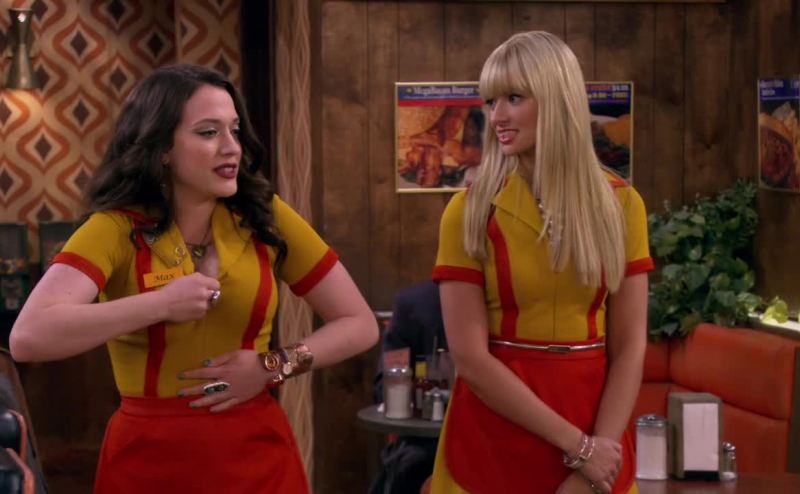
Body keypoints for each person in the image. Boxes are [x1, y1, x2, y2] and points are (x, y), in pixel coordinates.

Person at [9, 64, 378, 493]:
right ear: (162, 147)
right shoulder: (115, 228)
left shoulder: (265, 217)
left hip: (258, 455)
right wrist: (160, 304)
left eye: (234, 131)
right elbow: (29, 336)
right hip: (148, 459)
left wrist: (272, 366)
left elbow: (359, 324)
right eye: (208, 132)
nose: (231, 147)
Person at [429, 31, 652, 494]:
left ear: (557, 99)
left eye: (514, 98)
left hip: (597, 430)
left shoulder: (622, 206)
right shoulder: (469, 212)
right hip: (493, 437)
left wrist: (596, 460)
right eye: (491, 101)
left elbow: (630, 345)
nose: (497, 116)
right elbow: (469, 357)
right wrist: (580, 448)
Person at [369, 280, 447, 494]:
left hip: (490, 439)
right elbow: (382, 389)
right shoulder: (414, 304)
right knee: (409, 468)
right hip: (424, 442)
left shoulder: (508, 309)